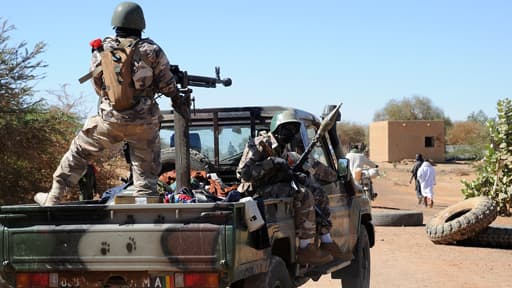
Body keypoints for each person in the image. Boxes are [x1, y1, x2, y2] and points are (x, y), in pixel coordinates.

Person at [34, 1, 179, 206]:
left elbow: (98, 86)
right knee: (145, 172)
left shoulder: (101, 49)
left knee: (79, 151)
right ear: (141, 24)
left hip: (110, 121)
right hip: (143, 124)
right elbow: (168, 86)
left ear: (115, 23)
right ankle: (145, 207)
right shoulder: (151, 49)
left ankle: (54, 197)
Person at [237, 110, 337, 265]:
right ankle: (305, 248)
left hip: (274, 185)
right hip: (256, 190)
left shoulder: (282, 147)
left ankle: (326, 239)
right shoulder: (260, 144)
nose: (290, 133)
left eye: (293, 129)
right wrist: (272, 163)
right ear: (277, 129)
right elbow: (244, 174)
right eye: (287, 129)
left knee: (317, 192)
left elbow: (284, 171)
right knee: (303, 195)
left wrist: (292, 174)